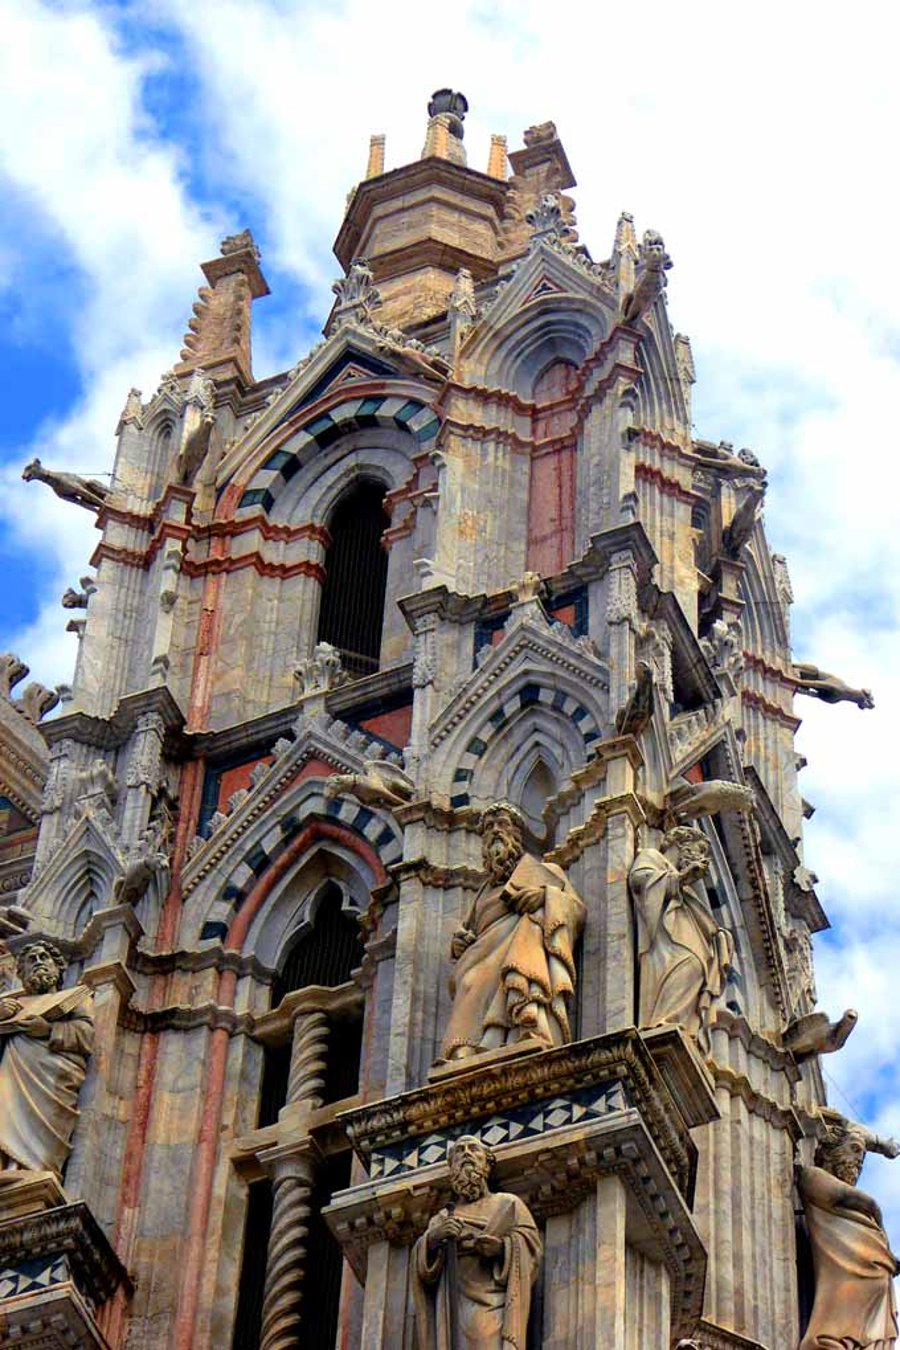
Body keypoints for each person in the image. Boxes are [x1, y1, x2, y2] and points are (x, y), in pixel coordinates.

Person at [440, 802, 585, 1062]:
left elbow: (576, 910)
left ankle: (527, 1024)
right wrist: (460, 943)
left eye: (502, 824)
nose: (495, 831)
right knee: (469, 981)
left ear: (517, 834)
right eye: (489, 827)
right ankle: (465, 1050)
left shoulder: (546, 872)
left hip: (518, 947)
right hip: (478, 956)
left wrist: (545, 897)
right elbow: (469, 929)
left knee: (526, 939)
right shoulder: (482, 892)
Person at [412, 1135, 542, 1350]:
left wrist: (501, 1248)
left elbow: (532, 1249)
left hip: (492, 1301)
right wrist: (433, 1238)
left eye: (473, 1149)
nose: (466, 1153)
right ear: (452, 1168)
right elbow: (422, 1269)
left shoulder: (508, 1204)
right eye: (459, 1151)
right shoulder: (441, 1218)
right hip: (452, 1301)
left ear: (487, 1164)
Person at [798, 1117, 899, 1350]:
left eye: (861, 1157)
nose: (858, 1162)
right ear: (829, 1153)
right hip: (844, 1273)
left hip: (873, 1289)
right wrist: (880, 1144)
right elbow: (864, 1202)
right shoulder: (813, 1177)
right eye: (853, 1150)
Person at [628, 825, 732, 1049]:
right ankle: (661, 1020)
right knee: (688, 964)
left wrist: (719, 938)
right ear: (681, 844)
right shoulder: (652, 856)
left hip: (681, 936)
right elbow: (638, 880)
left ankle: (680, 1027)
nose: (700, 858)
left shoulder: (687, 889)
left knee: (696, 967)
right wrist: (680, 879)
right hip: (665, 940)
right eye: (698, 850)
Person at [0, 939, 94, 1178]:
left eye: (44, 957)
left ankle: (32, 1169)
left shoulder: (74, 998)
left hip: (52, 1075)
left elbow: (86, 1035)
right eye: (31, 960)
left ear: (58, 968)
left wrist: (48, 1030)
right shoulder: (13, 1006)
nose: (39, 962)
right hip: (13, 1072)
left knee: (42, 1131)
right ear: (21, 974)